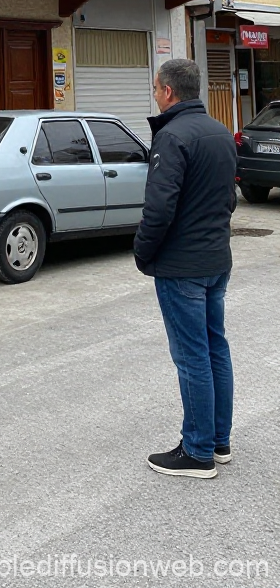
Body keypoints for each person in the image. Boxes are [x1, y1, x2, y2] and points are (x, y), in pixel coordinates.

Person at [133, 58, 237, 479]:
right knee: (215, 349)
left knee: (192, 356)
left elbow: (159, 207)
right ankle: (218, 441)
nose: (155, 95)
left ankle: (197, 453)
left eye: (156, 89)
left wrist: (143, 252)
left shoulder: (172, 135)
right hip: (215, 259)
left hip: (182, 266)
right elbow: (228, 199)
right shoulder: (220, 132)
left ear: (169, 91)